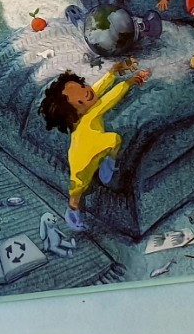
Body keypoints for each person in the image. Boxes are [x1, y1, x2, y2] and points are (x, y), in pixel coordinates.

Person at [39, 60, 150, 232]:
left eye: (83, 87)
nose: (87, 93)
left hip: (96, 144)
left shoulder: (86, 104)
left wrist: (112, 72)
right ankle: (73, 209)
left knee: (113, 140)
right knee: (78, 187)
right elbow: (109, 99)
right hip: (83, 155)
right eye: (80, 101)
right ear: (74, 113)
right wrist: (129, 82)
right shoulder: (88, 115)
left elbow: (97, 89)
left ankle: (107, 163)